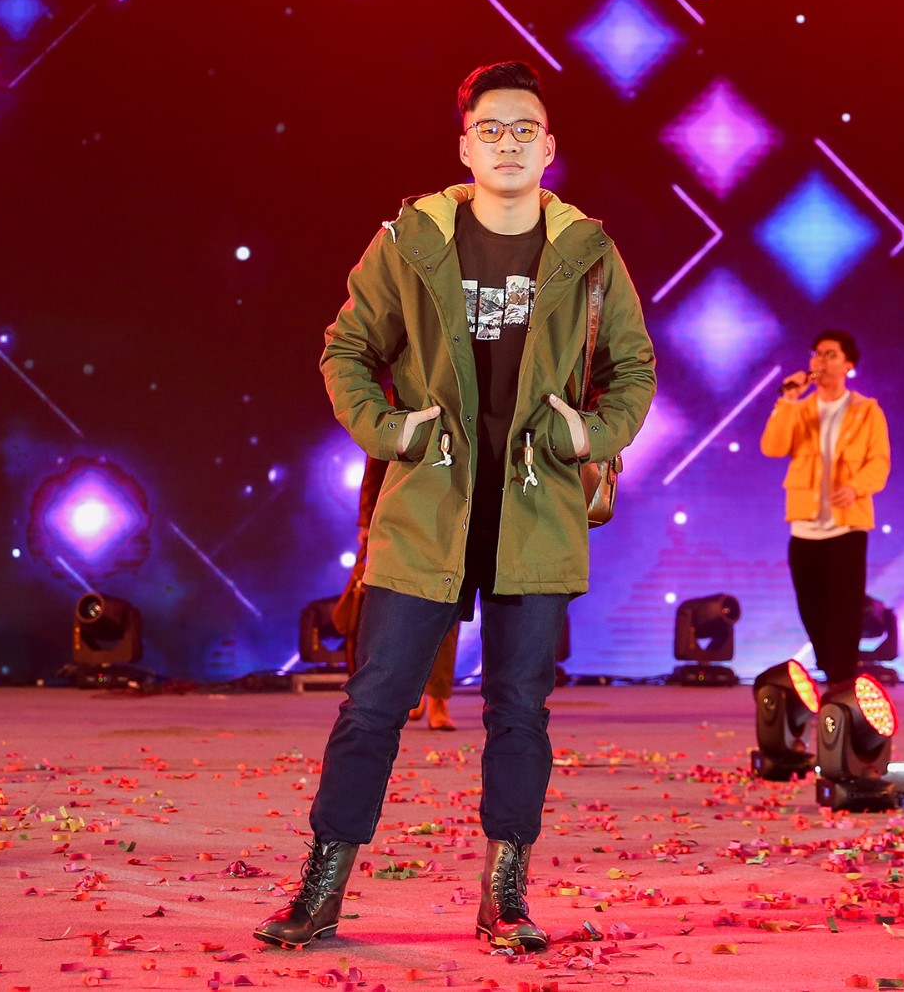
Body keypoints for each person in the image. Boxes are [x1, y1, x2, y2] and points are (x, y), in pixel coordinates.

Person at [255, 60, 655, 952]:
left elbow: (633, 367)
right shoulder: (413, 241)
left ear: (549, 148)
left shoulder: (588, 252)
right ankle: (321, 887)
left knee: (520, 711)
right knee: (373, 704)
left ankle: (504, 895)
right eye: (491, 130)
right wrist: (388, 430)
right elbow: (346, 349)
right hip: (429, 506)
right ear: (464, 147)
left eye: (525, 130)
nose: (508, 144)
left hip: (535, 513)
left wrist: (590, 436)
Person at [760, 330, 890, 686]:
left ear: (848, 364)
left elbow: (879, 463)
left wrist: (856, 487)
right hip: (805, 524)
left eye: (830, 354)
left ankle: (842, 680)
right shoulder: (799, 409)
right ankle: (832, 670)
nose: (820, 360)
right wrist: (787, 400)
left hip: (847, 526)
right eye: (816, 353)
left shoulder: (867, 411)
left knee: (845, 608)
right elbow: (772, 447)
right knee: (811, 606)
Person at [336, 453, 460, 731]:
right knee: (406, 611)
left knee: (448, 608)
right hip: (403, 517)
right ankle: (413, 692)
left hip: (453, 515)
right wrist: (367, 520)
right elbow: (378, 458)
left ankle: (438, 699)